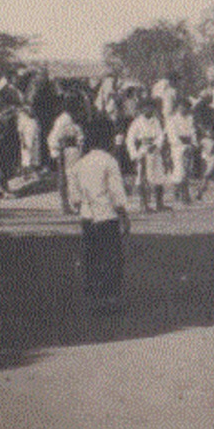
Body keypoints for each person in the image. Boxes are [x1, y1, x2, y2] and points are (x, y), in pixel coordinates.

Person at [72, 116, 130, 311]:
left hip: (87, 216)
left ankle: (93, 296)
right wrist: (124, 216)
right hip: (107, 216)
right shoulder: (109, 162)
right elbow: (117, 193)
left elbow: (75, 197)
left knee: (91, 256)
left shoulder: (80, 164)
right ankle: (110, 296)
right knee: (111, 256)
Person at [126, 97, 168, 212]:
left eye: (150, 108)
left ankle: (160, 203)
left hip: (155, 150)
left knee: (159, 176)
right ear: (141, 109)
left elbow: (160, 135)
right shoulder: (137, 122)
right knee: (142, 177)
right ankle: (144, 204)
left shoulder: (156, 121)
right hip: (143, 150)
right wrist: (134, 154)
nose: (148, 110)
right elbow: (130, 139)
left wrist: (156, 144)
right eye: (145, 108)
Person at [47, 102, 85, 214]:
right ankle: (68, 204)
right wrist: (56, 152)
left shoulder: (71, 120)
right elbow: (53, 138)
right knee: (68, 178)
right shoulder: (63, 121)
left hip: (74, 151)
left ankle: (74, 204)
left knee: (74, 177)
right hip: (66, 151)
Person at [164, 96, 197, 205]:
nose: (184, 109)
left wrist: (193, 143)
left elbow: (193, 132)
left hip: (188, 145)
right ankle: (184, 195)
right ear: (178, 107)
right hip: (177, 147)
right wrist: (181, 145)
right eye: (182, 107)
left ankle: (178, 190)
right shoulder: (172, 119)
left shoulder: (190, 118)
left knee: (187, 170)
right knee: (180, 170)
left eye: (187, 107)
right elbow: (172, 135)